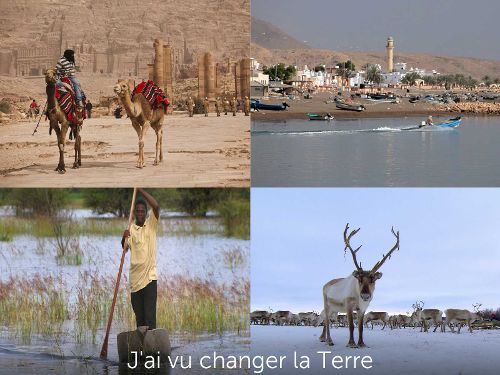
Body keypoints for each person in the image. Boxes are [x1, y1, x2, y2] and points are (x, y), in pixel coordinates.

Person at [122, 189, 160, 330]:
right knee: (140, 319)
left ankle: (152, 348)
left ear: (145, 213)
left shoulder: (151, 224)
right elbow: (125, 248)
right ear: (134, 213)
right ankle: (141, 349)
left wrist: (141, 190)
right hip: (135, 281)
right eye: (137, 211)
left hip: (149, 279)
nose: (139, 213)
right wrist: (124, 236)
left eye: (142, 211)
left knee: (150, 318)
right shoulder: (130, 228)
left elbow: (156, 206)